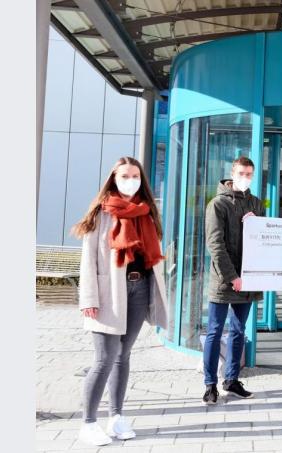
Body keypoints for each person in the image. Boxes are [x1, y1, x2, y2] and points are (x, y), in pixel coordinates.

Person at [74, 157, 168, 446]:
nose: (131, 180)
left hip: (139, 289)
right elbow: (88, 260)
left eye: (135, 175)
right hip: (108, 293)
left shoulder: (147, 212)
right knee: (104, 358)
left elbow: (153, 256)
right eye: (125, 176)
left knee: (123, 356)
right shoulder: (101, 213)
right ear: (113, 178)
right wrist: (88, 298)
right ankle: (88, 423)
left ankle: (116, 417)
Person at [202, 156, 263, 405]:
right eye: (241, 173)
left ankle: (232, 380)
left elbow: (264, 238)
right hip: (223, 280)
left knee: (238, 330)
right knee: (215, 331)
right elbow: (215, 245)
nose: (245, 178)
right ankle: (210, 385)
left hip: (247, 278)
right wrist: (232, 277)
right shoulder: (218, 204)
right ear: (232, 173)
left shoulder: (256, 203)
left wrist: (256, 224)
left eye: (249, 174)